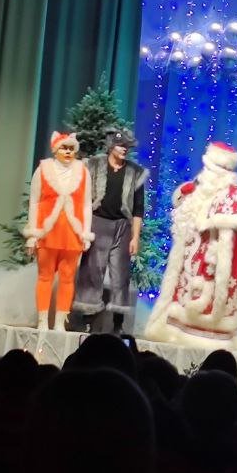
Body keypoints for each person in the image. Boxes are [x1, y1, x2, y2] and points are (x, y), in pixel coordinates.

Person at [145, 141, 237, 349]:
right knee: (185, 295)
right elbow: (181, 203)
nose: (207, 173)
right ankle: (177, 331)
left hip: (211, 261)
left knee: (211, 297)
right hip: (191, 257)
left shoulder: (232, 195)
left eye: (212, 168)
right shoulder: (197, 189)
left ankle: (213, 337)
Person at [74, 129, 149, 334]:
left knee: (120, 274)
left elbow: (138, 208)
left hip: (122, 226)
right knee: (92, 271)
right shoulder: (94, 165)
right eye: (120, 145)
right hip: (98, 223)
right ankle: (88, 319)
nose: (124, 149)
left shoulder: (135, 173)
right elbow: (80, 197)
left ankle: (118, 324)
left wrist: (135, 237)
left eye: (127, 146)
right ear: (111, 146)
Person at [23, 132, 93, 330]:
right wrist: (33, 234)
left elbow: (86, 204)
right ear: (55, 149)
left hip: (72, 233)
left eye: (71, 148)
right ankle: (42, 320)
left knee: (67, 277)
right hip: (47, 233)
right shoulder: (43, 170)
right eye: (64, 148)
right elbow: (34, 202)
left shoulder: (83, 172)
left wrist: (86, 233)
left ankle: (60, 321)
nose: (68, 152)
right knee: (45, 276)